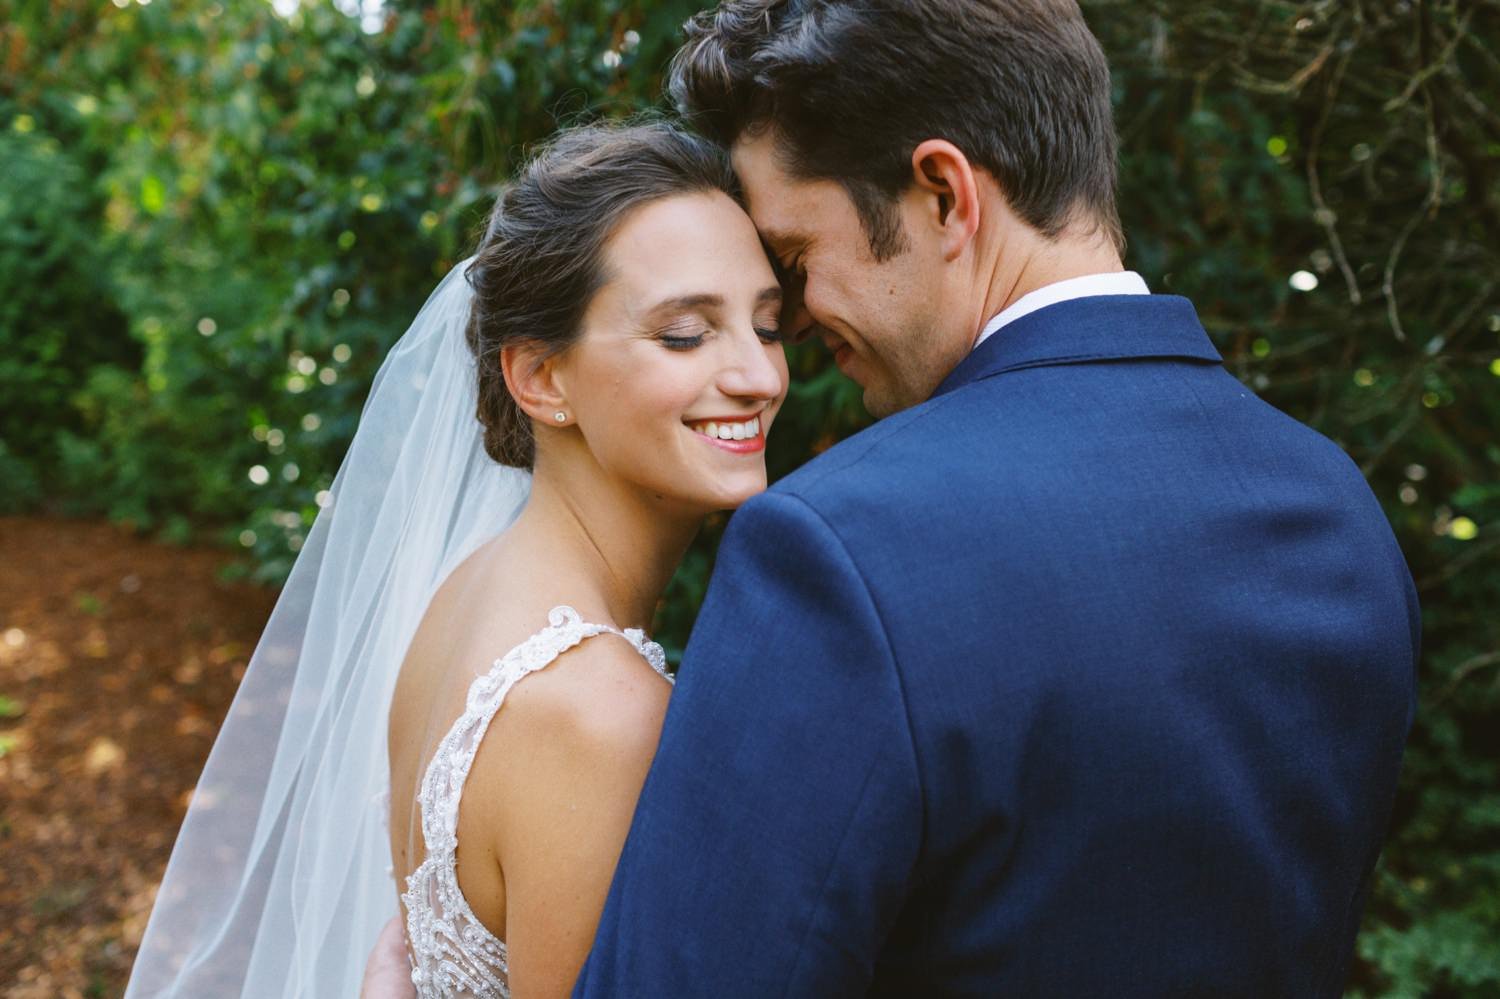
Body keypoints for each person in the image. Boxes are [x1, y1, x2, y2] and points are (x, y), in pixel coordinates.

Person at [370, 1, 1421, 995]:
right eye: (693, 329)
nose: (784, 353)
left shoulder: (846, 550)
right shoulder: (1339, 514)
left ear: (943, 195)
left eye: (793, 268)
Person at [124, 119, 789, 997]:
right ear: (541, 379)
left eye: (769, 325)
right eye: (684, 334)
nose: (760, 376)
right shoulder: (599, 715)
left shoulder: (468, 591)